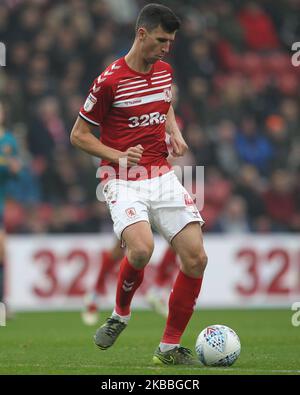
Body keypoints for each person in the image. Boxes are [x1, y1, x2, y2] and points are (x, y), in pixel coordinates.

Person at [70, 3, 207, 366]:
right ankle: (120, 314)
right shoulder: (109, 80)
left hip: (160, 172)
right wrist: (116, 155)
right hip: (122, 177)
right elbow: (78, 136)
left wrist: (173, 130)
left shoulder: (164, 72)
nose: (166, 48)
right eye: (161, 40)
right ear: (141, 33)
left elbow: (164, 104)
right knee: (142, 249)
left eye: (171, 41)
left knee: (196, 257)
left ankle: (168, 348)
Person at [0, 101, 21, 306]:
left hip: (0, 203)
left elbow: (17, 171)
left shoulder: (9, 140)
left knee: (1, 253)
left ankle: (2, 302)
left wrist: (14, 167)